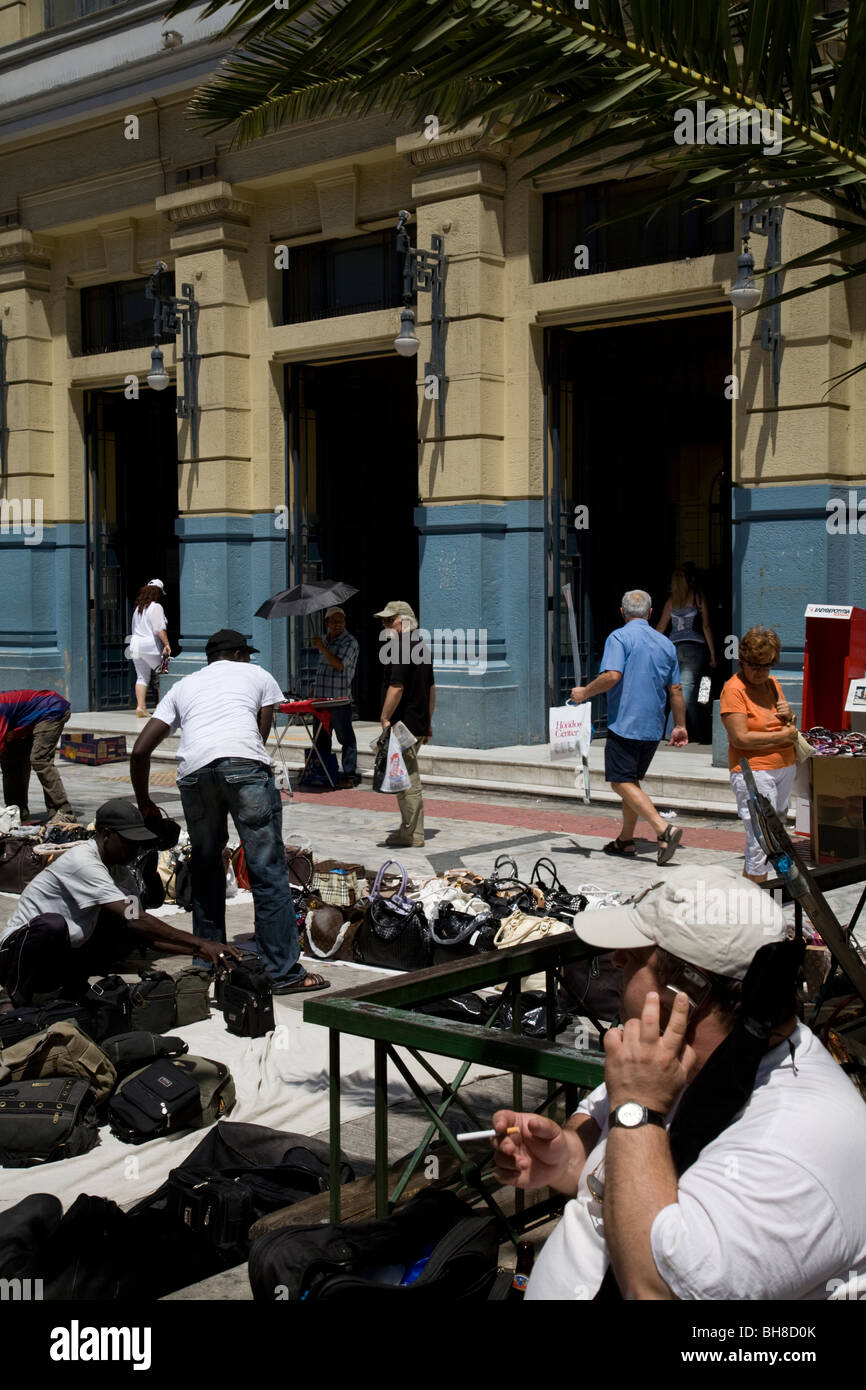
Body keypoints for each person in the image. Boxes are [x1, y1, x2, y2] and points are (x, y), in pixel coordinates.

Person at [493, 864, 866, 1301]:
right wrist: (567, 1157)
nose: (616, 959)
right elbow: (615, 1147)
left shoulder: (796, 1145)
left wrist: (638, 1109)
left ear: (685, 988)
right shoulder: (669, 1059)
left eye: (634, 954)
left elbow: (654, 1289)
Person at [130, 627, 329, 994]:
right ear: (239, 655)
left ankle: (207, 962)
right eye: (246, 654)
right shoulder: (258, 675)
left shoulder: (183, 686)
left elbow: (140, 750)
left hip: (193, 775)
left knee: (206, 869)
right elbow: (260, 735)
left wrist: (144, 802)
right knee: (267, 871)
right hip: (245, 769)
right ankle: (283, 974)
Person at [0, 799, 240, 1006]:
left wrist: (202, 951)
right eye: (129, 842)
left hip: (60, 955)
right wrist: (200, 942)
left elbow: (141, 929)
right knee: (53, 925)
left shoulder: (119, 871)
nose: (135, 850)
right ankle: (11, 997)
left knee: (120, 928)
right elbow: (136, 919)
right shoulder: (83, 861)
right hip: (16, 955)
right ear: (106, 836)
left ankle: (70, 989)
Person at [570, 590, 687, 866]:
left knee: (620, 781)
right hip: (653, 726)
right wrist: (680, 724)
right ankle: (625, 840)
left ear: (622, 613)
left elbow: (612, 675)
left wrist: (585, 692)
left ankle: (663, 828)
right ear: (650, 613)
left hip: (625, 723)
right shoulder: (666, 644)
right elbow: (677, 689)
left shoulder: (619, 637)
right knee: (631, 781)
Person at [720, 625, 798, 883]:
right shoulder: (734, 690)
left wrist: (790, 717)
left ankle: (766, 903)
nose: (760, 672)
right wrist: (784, 736)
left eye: (766, 666)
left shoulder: (772, 684)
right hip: (755, 771)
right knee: (761, 843)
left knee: (776, 839)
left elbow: (786, 724)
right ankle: (757, 910)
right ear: (743, 661)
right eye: (754, 665)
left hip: (783, 766)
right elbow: (740, 738)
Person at [375, 600, 435, 849]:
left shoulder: (401, 647)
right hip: (417, 723)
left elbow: (396, 686)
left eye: (390, 620)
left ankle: (413, 833)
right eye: (383, 621)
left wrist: (385, 716)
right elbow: (431, 688)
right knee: (402, 777)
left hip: (404, 725)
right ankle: (407, 828)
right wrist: (428, 722)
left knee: (407, 778)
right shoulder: (420, 646)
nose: (384, 624)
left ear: (406, 621)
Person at [655, 565, 716, 741]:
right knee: (685, 691)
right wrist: (713, 653)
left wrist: (650, 648)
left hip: (672, 649)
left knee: (688, 691)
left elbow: (660, 627)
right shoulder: (697, 597)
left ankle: (698, 731)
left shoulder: (670, 601)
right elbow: (706, 626)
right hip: (694, 649)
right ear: (690, 581)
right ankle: (671, 733)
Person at [0, 688, 74, 824]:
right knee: (10, 762)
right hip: (25, 720)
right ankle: (16, 811)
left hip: (50, 710)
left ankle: (63, 811)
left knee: (40, 759)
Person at [311, 606, 361, 788]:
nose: (338, 624)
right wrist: (313, 690)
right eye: (334, 621)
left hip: (339, 699)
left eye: (341, 621)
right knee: (321, 738)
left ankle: (350, 775)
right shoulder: (324, 640)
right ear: (326, 623)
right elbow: (322, 669)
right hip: (320, 699)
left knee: (345, 738)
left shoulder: (350, 642)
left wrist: (322, 648)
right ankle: (323, 772)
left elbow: (339, 665)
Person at [129, 579, 171, 718]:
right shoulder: (156, 607)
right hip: (150, 646)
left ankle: (141, 707)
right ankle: (161, 706)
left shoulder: (138, 609)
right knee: (162, 673)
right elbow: (159, 628)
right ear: (157, 592)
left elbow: (134, 628)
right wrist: (166, 644)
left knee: (141, 677)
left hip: (135, 645)